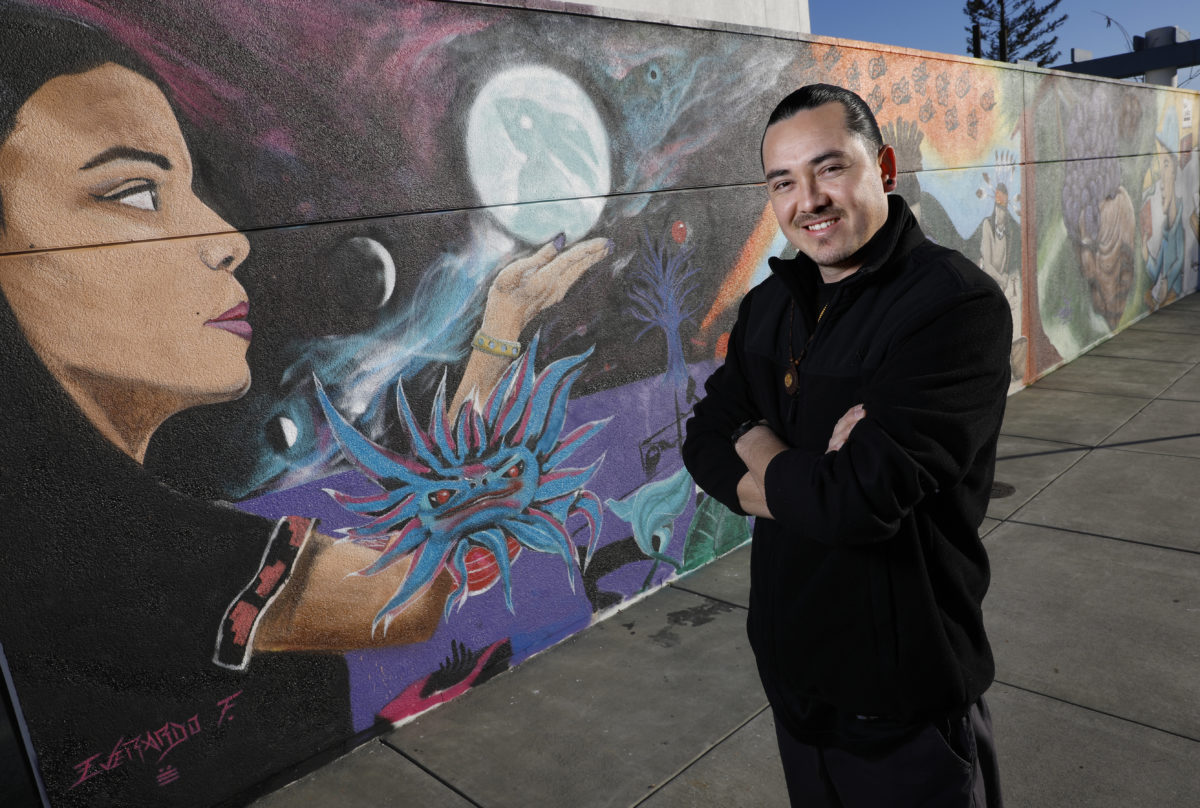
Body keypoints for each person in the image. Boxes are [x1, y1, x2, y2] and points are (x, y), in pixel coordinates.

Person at [0, 5, 606, 806]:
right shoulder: (95, 546)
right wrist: (495, 338)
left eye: (193, 188)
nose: (227, 237)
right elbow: (408, 594)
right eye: (138, 194)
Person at [682, 84, 1011, 807]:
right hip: (792, 674)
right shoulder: (770, 307)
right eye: (783, 182)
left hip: (901, 698)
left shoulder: (953, 307)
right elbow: (703, 439)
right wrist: (788, 465)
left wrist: (757, 444)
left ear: (884, 167)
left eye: (830, 168)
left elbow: (854, 505)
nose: (809, 200)